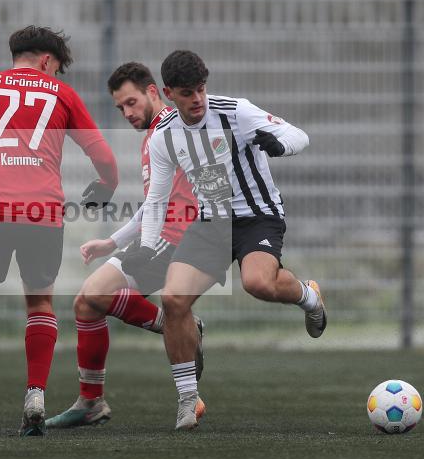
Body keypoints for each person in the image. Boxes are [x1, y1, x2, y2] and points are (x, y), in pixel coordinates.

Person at [121, 50, 326, 430]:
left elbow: (299, 135)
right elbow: (157, 201)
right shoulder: (164, 137)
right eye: (187, 93)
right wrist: (147, 246)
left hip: (258, 217)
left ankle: (309, 296)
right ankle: (187, 399)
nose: (197, 98)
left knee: (257, 283)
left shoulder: (236, 112)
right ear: (168, 94)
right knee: (173, 299)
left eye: (201, 89)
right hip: (211, 223)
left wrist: (280, 145)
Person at [0, 26, 119, 436]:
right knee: (39, 305)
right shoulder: (63, 94)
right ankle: (35, 396)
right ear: (48, 61)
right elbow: (104, 157)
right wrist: (106, 187)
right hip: (43, 213)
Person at [46, 61, 204, 429]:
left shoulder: (175, 129)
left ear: (153, 92)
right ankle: (91, 402)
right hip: (158, 235)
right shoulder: (153, 136)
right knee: (86, 304)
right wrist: (112, 241)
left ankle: (180, 324)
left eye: (131, 103)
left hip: (178, 238)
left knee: (95, 294)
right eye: (120, 108)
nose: (127, 113)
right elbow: (153, 204)